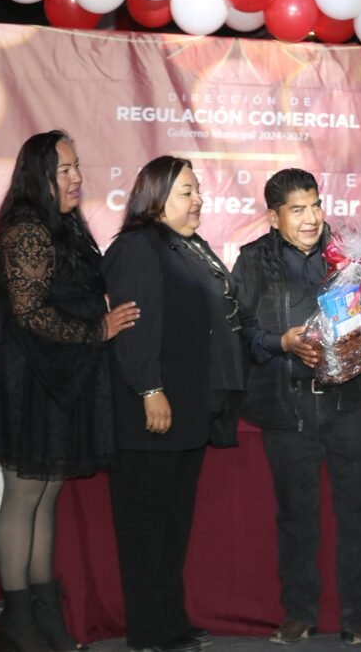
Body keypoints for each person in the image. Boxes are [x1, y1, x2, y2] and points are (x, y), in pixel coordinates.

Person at [231, 168, 361, 648]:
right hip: (285, 407)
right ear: (274, 217)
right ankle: (298, 613)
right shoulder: (253, 261)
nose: (310, 218)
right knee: (295, 515)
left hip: (349, 403)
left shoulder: (352, 255)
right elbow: (239, 330)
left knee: (360, 512)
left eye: (315, 205)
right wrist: (281, 342)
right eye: (297, 210)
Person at [0, 130, 138, 652]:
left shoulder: (62, 226)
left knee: (47, 495)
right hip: (26, 378)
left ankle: (44, 613)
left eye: (76, 167)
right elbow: (31, 313)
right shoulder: (26, 229)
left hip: (58, 377)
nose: (76, 177)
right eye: (64, 170)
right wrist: (97, 330)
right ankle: (18, 618)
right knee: (24, 496)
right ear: (37, 177)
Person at [103, 156, 245, 652]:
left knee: (172, 524)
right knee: (145, 527)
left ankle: (171, 620)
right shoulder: (137, 247)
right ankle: (149, 630)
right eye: (187, 192)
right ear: (156, 198)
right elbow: (133, 327)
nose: (198, 199)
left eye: (198, 190)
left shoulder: (189, 247)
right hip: (150, 411)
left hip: (188, 409)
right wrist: (149, 389)